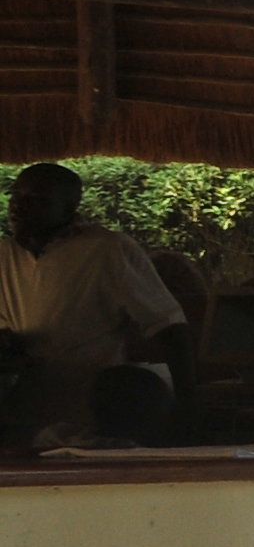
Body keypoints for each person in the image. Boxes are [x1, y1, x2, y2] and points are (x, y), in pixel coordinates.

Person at [0, 163, 189, 447]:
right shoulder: (5, 255)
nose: (18, 206)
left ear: (68, 208)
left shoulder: (107, 249)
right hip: (20, 420)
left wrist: (188, 405)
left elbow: (170, 327)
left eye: (36, 199)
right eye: (15, 196)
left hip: (89, 419)